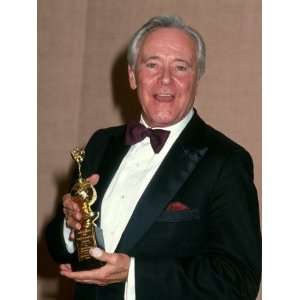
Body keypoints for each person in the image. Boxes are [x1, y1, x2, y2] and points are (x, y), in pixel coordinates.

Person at [46, 15, 261, 300]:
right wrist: (69, 227)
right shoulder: (101, 143)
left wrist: (134, 274)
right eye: (152, 65)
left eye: (180, 67)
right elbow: (57, 248)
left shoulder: (226, 161)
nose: (165, 80)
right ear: (133, 76)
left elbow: (238, 280)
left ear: (197, 78)